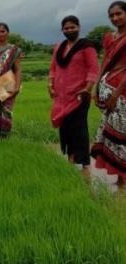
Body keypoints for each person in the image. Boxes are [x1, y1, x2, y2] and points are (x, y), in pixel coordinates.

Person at [48, 16, 99, 175]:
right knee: (66, 129)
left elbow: (93, 69)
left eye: (72, 27)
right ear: (62, 30)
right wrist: (50, 84)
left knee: (80, 129)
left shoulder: (86, 47)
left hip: (79, 95)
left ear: (79, 27)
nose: (69, 30)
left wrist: (88, 88)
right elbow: (53, 68)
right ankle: (70, 158)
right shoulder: (59, 47)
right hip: (61, 97)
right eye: (66, 28)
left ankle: (85, 165)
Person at [91, 1, 126, 187]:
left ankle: (123, 179)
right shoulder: (110, 37)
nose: (115, 18)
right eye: (111, 16)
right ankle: (119, 177)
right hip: (107, 87)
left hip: (122, 92)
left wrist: (116, 94)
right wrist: (96, 87)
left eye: (119, 14)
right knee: (111, 134)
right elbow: (104, 63)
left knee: (122, 134)